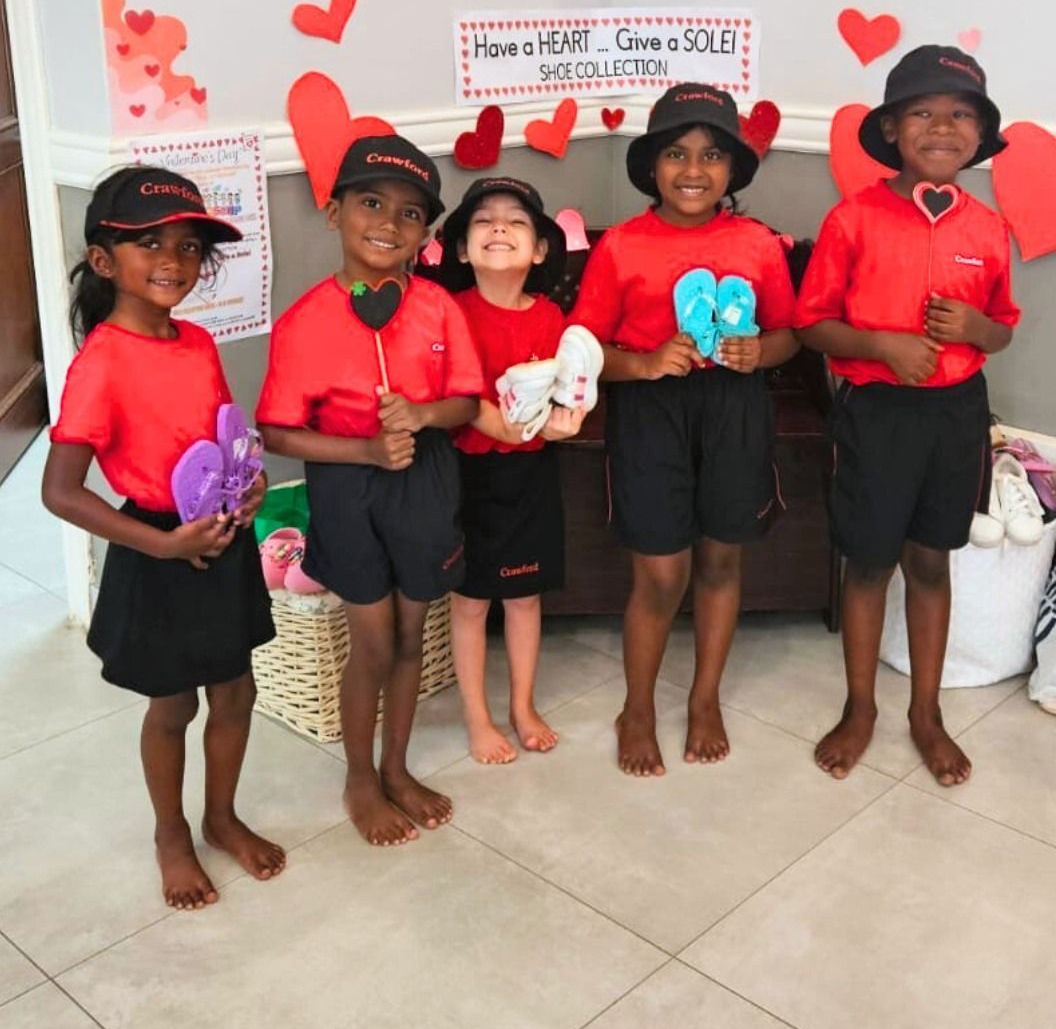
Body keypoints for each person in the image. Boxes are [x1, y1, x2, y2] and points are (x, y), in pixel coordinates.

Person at [42, 168, 283, 912]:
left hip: (220, 534)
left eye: (187, 246)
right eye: (149, 243)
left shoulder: (198, 342)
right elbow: (60, 491)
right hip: (157, 547)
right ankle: (171, 834)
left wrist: (249, 485)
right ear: (104, 260)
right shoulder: (101, 363)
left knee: (236, 690)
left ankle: (221, 817)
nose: (173, 260)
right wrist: (164, 547)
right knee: (173, 707)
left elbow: (220, 440)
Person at [796, 46, 1020, 785]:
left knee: (930, 561)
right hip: (877, 416)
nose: (942, 127)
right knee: (868, 562)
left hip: (955, 417)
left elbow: (1002, 329)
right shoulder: (852, 219)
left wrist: (977, 330)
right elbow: (811, 324)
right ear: (892, 128)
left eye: (961, 115)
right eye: (922, 112)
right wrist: (880, 345)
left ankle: (927, 713)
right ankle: (860, 707)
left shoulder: (987, 228)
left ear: (980, 135)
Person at [257, 135, 483, 845]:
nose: (389, 223)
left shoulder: (439, 309)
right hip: (347, 486)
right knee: (375, 642)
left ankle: (397, 768)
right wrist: (365, 449)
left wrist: (421, 414)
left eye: (411, 213)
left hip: (425, 479)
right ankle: (360, 777)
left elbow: (467, 401)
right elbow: (277, 433)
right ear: (335, 214)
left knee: (414, 631)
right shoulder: (303, 323)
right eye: (372, 203)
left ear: (425, 233)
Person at [572, 83, 798, 777]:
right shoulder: (621, 247)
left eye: (711, 155)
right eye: (676, 153)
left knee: (722, 560)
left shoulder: (757, 244)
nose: (693, 170)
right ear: (652, 166)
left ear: (732, 169)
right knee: (662, 573)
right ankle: (637, 708)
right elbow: (581, 347)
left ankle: (704, 699)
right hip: (652, 413)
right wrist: (642, 362)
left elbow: (789, 333)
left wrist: (760, 351)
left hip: (734, 409)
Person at [436, 177, 583, 764]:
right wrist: (492, 421)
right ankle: (478, 717)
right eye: (484, 220)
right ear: (463, 249)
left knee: (524, 597)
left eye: (516, 220)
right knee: (470, 603)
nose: (499, 227)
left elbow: (570, 388)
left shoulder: (551, 318)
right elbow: (451, 392)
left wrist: (567, 419)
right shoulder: (449, 314)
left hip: (530, 475)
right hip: (465, 477)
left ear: (540, 250)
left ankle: (523, 706)